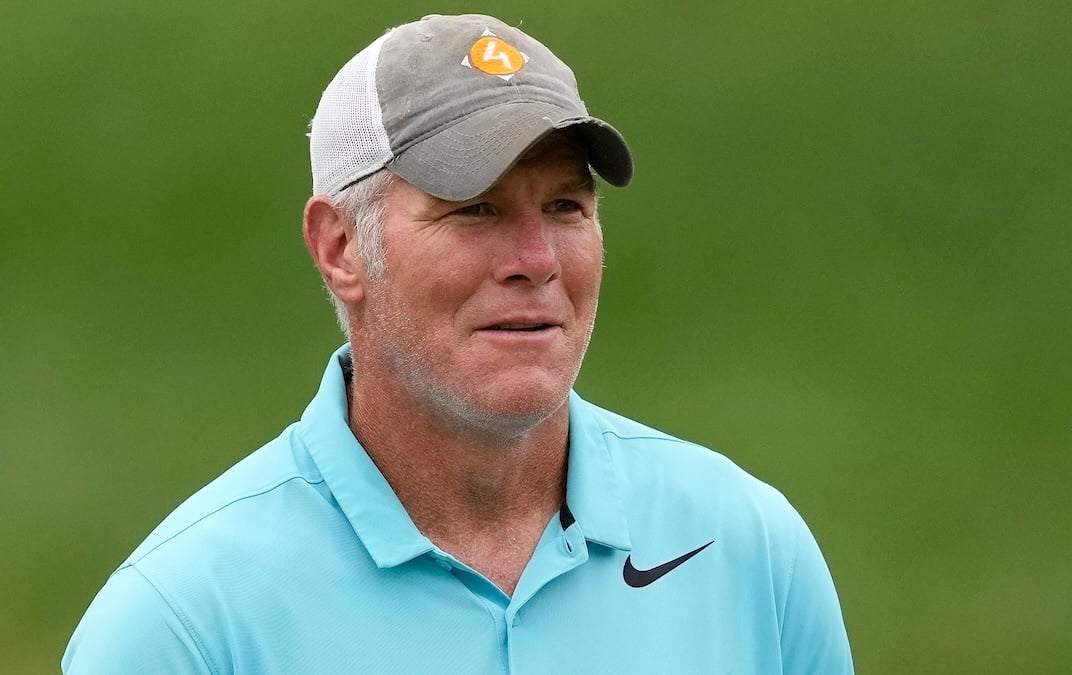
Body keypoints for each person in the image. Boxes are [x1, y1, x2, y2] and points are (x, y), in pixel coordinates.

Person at [63, 13, 854, 674]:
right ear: (341, 248)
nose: (537, 261)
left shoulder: (745, 547)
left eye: (568, 207)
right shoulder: (181, 625)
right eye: (475, 209)